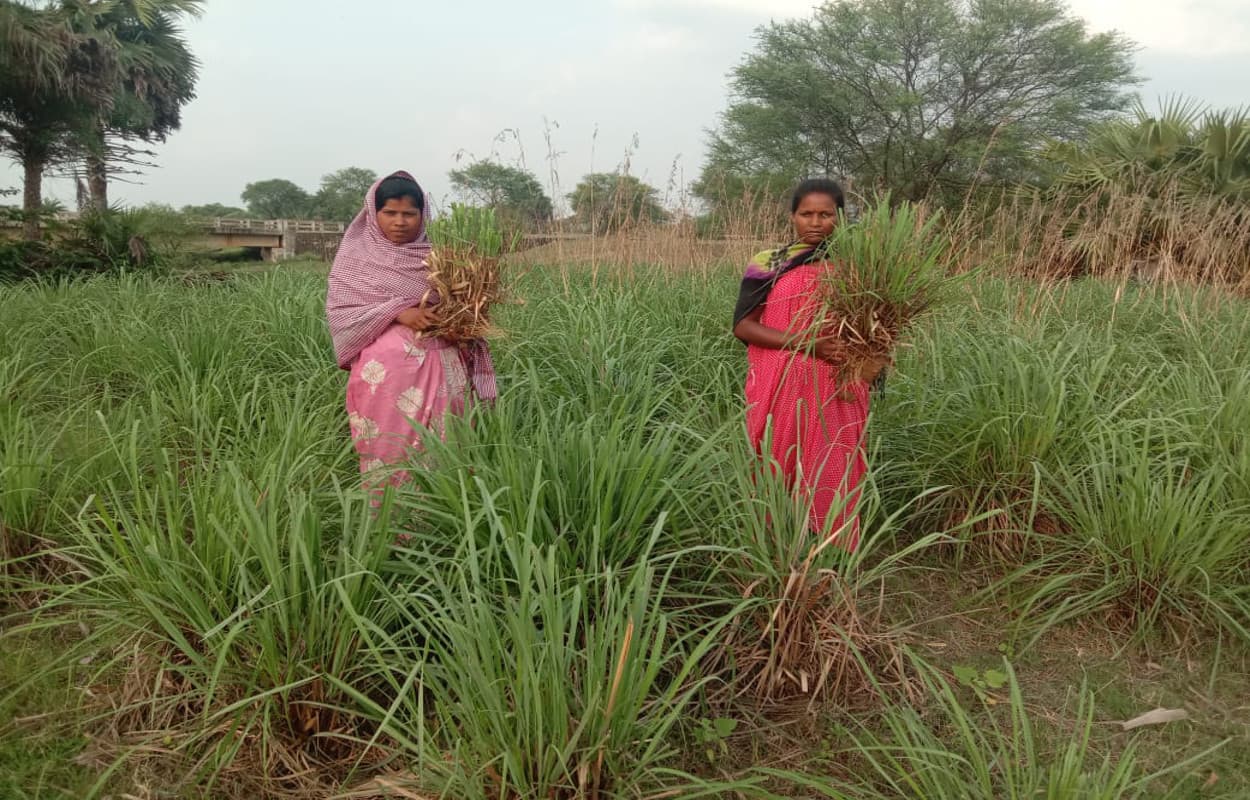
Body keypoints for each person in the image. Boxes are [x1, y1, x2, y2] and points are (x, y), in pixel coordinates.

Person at [731, 178, 887, 550]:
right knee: (774, 465)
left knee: (832, 466)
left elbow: (879, 328)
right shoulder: (769, 262)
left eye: (825, 214)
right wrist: (809, 345)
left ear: (841, 218)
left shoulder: (859, 265)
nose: (815, 223)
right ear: (792, 217)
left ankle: (828, 552)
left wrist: (874, 362)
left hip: (837, 388)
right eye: (806, 214)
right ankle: (773, 549)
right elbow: (743, 326)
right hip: (778, 385)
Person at [325, 171, 496, 489]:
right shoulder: (355, 260)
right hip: (387, 379)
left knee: (448, 448)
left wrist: (459, 325)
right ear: (373, 215)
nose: (400, 222)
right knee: (391, 448)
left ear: (423, 215)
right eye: (390, 213)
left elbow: (468, 308)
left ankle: (447, 521)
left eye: (409, 214)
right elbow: (344, 315)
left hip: (444, 371)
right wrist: (400, 312)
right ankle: (391, 523)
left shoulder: (443, 258)